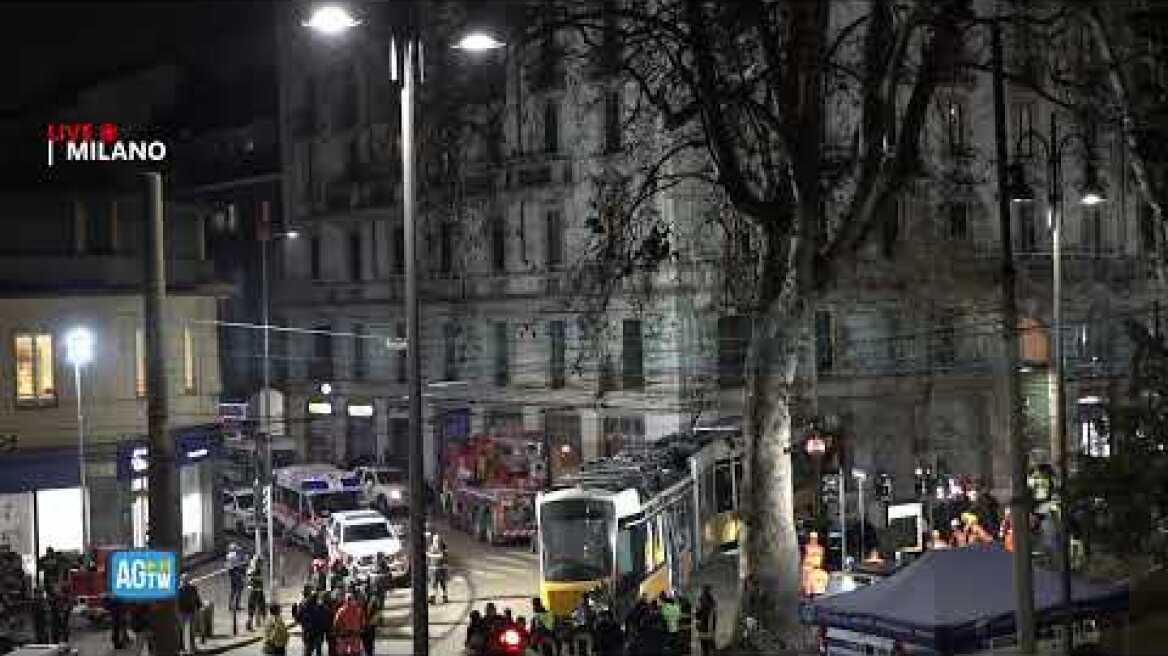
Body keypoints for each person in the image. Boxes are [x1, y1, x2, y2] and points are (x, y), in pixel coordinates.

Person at [293, 587, 327, 656]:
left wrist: (294, 611)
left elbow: (298, 618)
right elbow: (324, 620)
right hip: (317, 633)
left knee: (308, 651)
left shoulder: (303, 606)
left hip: (308, 633)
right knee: (318, 650)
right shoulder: (321, 608)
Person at [177, 573, 204, 654]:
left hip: (191, 611)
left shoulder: (193, 588)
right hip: (181, 613)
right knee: (181, 631)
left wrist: (200, 606)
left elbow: (197, 598)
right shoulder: (178, 590)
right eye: (184, 580)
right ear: (181, 581)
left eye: (187, 580)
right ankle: (181, 648)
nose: (186, 581)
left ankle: (192, 648)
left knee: (191, 631)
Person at [333, 592, 365, 656]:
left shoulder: (341, 610)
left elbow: (336, 622)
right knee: (354, 651)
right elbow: (363, 621)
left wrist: (336, 630)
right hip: (352, 633)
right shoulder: (358, 609)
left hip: (347, 633)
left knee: (344, 651)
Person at [427, 532, 449, 604]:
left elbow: (443, 556)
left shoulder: (443, 548)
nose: (436, 541)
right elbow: (428, 558)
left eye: (437, 540)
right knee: (433, 584)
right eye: (435, 540)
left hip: (441, 569)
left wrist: (431, 555)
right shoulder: (431, 548)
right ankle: (432, 597)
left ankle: (445, 596)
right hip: (433, 569)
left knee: (442, 584)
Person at [247, 556, 267, 631]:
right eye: (260, 563)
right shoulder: (253, 569)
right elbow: (251, 578)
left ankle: (264, 623)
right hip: (254, 591)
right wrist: (258, 578)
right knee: (254, 607)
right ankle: (250, 623)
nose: (261, 564)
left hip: (257, 590)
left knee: (261, 607)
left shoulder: (254, 569)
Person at [696, 585, 717, 656]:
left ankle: (707, 651)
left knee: (705, 643)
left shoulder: (703, 601)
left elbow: (698, 613)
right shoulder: (711, 603)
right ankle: (709, 651)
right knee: (708, 642)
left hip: (704, 626)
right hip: (707, 627)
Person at [226, 542, 247, 611]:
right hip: (237, 575)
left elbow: (228, 566)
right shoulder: (234, 556)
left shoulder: (229, 556)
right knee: (239, 590)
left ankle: (230, 605)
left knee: (233, 590)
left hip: (232, 575)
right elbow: (240, 565)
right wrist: (244, 562)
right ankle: (236, 605)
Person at [360, 586, 378, 656]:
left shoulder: (373, 600)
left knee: (369, 641)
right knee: (366, 642)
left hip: (370, 623)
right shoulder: (362, 600)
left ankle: (369, 652)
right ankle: (368, 651)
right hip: (365, 624)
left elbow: (376, 611)